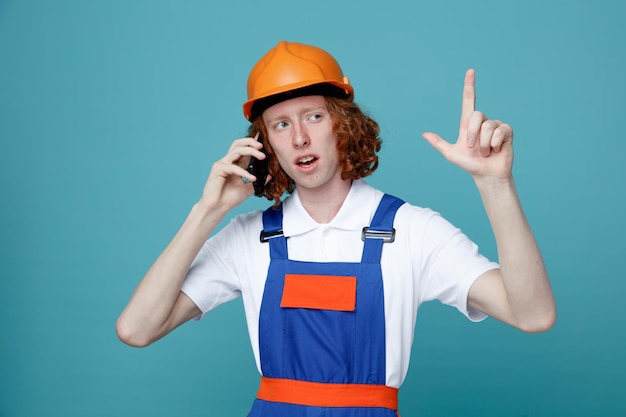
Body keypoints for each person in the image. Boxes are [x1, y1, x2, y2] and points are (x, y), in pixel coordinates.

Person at [116, 40, 556, 416]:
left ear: (343, 125)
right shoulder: (248, 238)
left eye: (314, 116)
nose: (299, 139)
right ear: (265, 144)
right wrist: (207, 212)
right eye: (280, 125)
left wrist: (496, 184)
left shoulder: (412, 230)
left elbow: (532, 314)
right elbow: (137, 329)